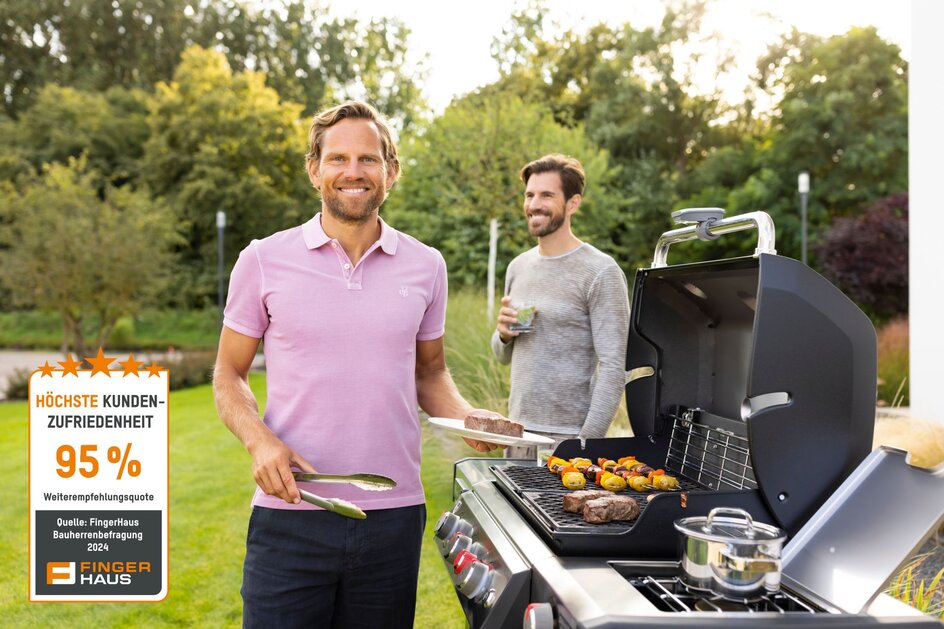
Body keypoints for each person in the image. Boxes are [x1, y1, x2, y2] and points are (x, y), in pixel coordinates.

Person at [213, 100, 503, 629]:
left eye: (368, 159)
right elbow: (228, 374)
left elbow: (429, 372)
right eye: (338, 158)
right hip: (292, 512)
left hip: (392, 517)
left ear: (390, 171)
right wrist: (260, 441)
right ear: (314, 169)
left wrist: (468, 419)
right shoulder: (262, 259)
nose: (353, 172)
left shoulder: (426, 265)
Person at [492, 154, 630, 459]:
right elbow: (503, 356)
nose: (534, 204)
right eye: (529, 195)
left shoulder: (600, 272)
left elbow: (614, 366)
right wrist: (502, 335)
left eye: (546, 195)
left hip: (567, 440)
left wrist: (585, 443)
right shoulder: (518, 267)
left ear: (573, 203)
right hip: (517, 434)